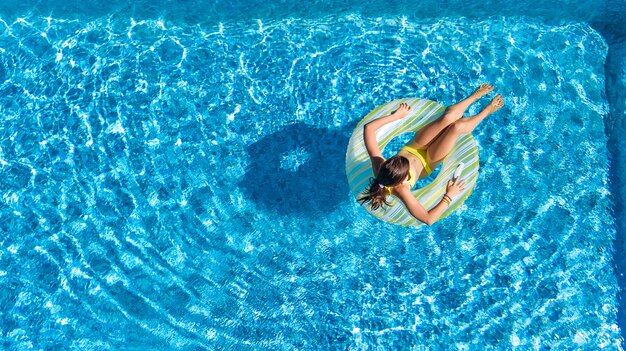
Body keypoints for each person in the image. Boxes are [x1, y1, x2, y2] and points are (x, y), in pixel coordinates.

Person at [358, 84, 504, 225]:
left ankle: (474, 96)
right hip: (428, 161)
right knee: (456, 127)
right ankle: (487, 110)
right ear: (401, 179)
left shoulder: (379, 164)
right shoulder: (402, 190)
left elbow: (368, 128)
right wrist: (449, 196)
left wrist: (396, 116)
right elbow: (428, 219)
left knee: (447, 117)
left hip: (414, 146)